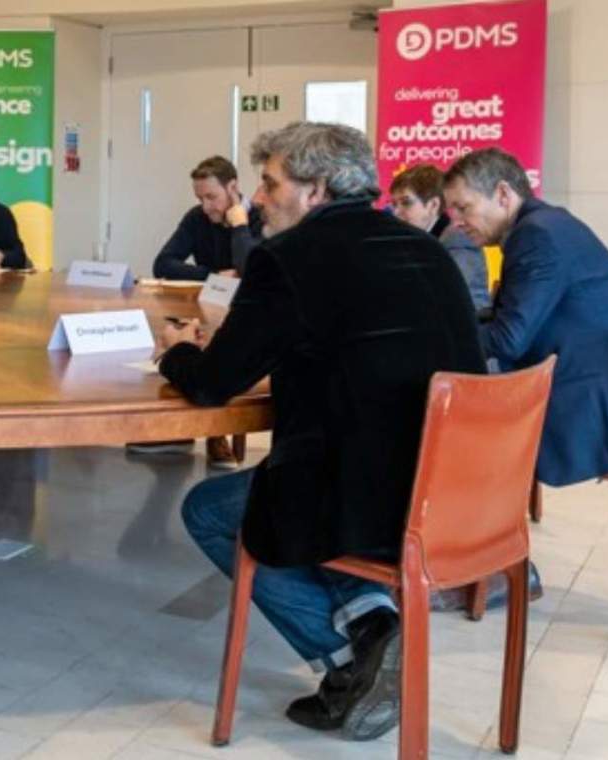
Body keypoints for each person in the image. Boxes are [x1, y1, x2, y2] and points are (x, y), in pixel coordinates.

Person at [159, 122, 486, 741]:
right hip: (455, 491)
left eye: (269, 183)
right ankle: (370, 623)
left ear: (316, 191)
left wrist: (175, 350)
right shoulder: (427, 249)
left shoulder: (288, 260)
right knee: (305, 473)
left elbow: (211, 385)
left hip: (366, 495)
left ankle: (352, 656)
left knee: (211, 509)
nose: (256, 198)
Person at [442, 147, 608, 488]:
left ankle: (472, 535)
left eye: (464, 207)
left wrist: (440, 335)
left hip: (589, 407)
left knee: (450, 423)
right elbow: (510, 316)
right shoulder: (549, 224)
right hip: (602, 387)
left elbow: (509, 340)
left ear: (503, 194)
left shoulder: (536, 235)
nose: (457, 221)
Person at [388, 164, 490, 311]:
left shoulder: (457, 239)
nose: (396, 213)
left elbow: (458, 302)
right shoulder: (419, 241)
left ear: (433, 205)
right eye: (394, 204)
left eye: (406, 203)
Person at [152, 156, 266, 281]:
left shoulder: (262, 218)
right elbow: (162, 265)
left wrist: (239, 225)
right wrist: (213, 275)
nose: (205, 208)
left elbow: (250, 271)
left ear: (232, 188)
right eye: (200, 199)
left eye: (211, 197)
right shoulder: (196, 217)